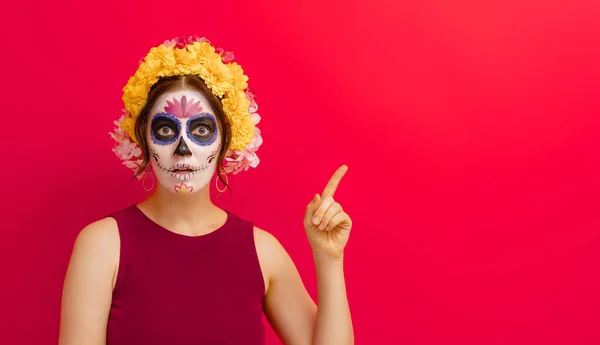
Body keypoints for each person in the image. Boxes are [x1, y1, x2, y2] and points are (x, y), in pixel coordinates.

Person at [59, 36, 354, 345]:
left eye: (201, 130)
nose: (182, 149)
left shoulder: (262, 251)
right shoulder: (102, 246)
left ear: (227, 140)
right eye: (165, 130)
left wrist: (329, 259)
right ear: (143, 140)